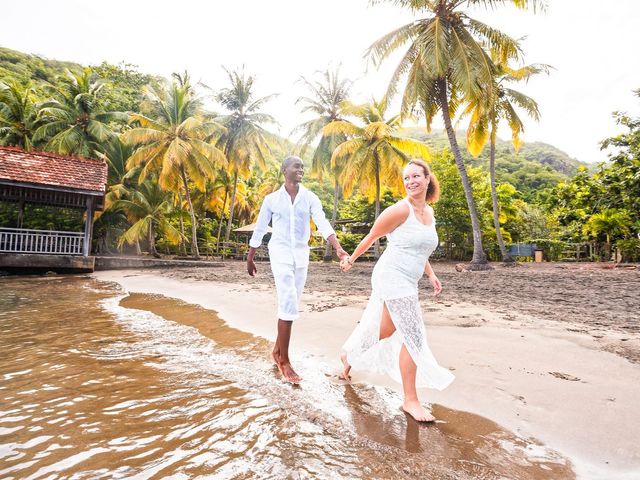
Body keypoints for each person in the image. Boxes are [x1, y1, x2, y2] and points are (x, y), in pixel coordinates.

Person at [339, 159, 454, 422]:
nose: (411, 181)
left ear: (427, 179)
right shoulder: (399, 211)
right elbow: (371, 237)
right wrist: (351, 259)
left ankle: (350, 353)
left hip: (409, 281)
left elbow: (419, 249)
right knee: (413, 334)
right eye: (406, 178)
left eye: (416, 176)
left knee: (388, 330)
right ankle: (410, 401)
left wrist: (431, 274)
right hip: (390, 276)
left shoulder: (430, 214)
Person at [247, 155, 348, 383]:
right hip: (280, 253)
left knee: (290, 303)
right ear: (285, 170)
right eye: (296, 166)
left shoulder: (310, 197)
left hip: (302, 255)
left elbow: (322, 222)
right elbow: (261, 227)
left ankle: (276, 351)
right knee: (289, 300)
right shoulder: (271, 199)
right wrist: (250, 256)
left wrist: (339, 248)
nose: (301, 169)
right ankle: (284, 361)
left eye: (302, 166)